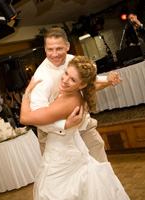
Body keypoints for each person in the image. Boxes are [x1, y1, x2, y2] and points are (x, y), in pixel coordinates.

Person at [20, 56, 129, 199]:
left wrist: (27, 92)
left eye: (72, 80)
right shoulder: (75, 92)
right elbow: (94, 85)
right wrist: (107, 81)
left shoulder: (66, 103)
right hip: (67, 151)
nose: (65, 80)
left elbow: (25, 118)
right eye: (66, 73)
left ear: (82, 85)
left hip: (62, 156)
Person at [29, 27, 122, 162]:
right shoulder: (41, 78)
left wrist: (107, 80)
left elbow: (87, 83)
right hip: (54, 135)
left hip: (83, 126)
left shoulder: (72, 60)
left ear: (67, 46)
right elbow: (36, 117)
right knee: (67, 178)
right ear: (45, 48)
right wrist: (65, 124)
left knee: (100, 163)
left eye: (59, 48)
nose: (55, 54)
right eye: (50, 49)